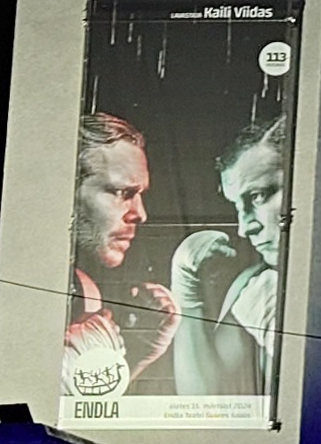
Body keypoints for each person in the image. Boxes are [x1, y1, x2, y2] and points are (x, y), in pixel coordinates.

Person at [173, 112, 290, 396]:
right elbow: (202, 402)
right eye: (238, 205)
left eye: (258, 196)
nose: (244, 228)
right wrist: (186, 293)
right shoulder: (258, 286)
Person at [65, 112, 176, 400]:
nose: (141, 214)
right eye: (121, 192)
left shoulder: (85, 293)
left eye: (140, 195)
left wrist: (138, 355)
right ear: (66, 188)